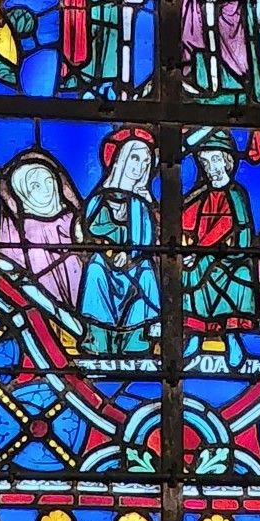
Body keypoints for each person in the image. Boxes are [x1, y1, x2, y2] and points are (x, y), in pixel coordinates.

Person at [80, 128, 161, 358]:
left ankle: (135, 338)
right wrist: (106, 251)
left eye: (146, 161)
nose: (140, 166)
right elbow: (85, 233)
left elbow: (147, 240)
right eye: (135, 157)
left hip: (134, 262)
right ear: (121, 158)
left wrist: (130, 256)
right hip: (104, 262)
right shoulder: (98, 198)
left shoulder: (144, 202)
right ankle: (98, 337)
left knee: (146, 272)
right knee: (94, 267)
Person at [181, 133, 257, 359]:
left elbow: (229, 224)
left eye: (215, 160)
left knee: (240, 272)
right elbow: (184, 219)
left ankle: (232, 338)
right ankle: (194, 336)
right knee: (188, 271)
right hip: (202, 256)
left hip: (231, 257)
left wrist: (198, 250)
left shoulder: (237, 193)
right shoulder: (200, 194)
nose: (210, 168)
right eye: (205, 162)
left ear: (227, 160)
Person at [0, 154, 85, 327]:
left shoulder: (72, 220)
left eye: (49, 182)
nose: (46, 189)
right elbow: (12, 263)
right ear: (20, 192)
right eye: (35, 186)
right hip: (46, 303)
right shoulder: (20, 232)